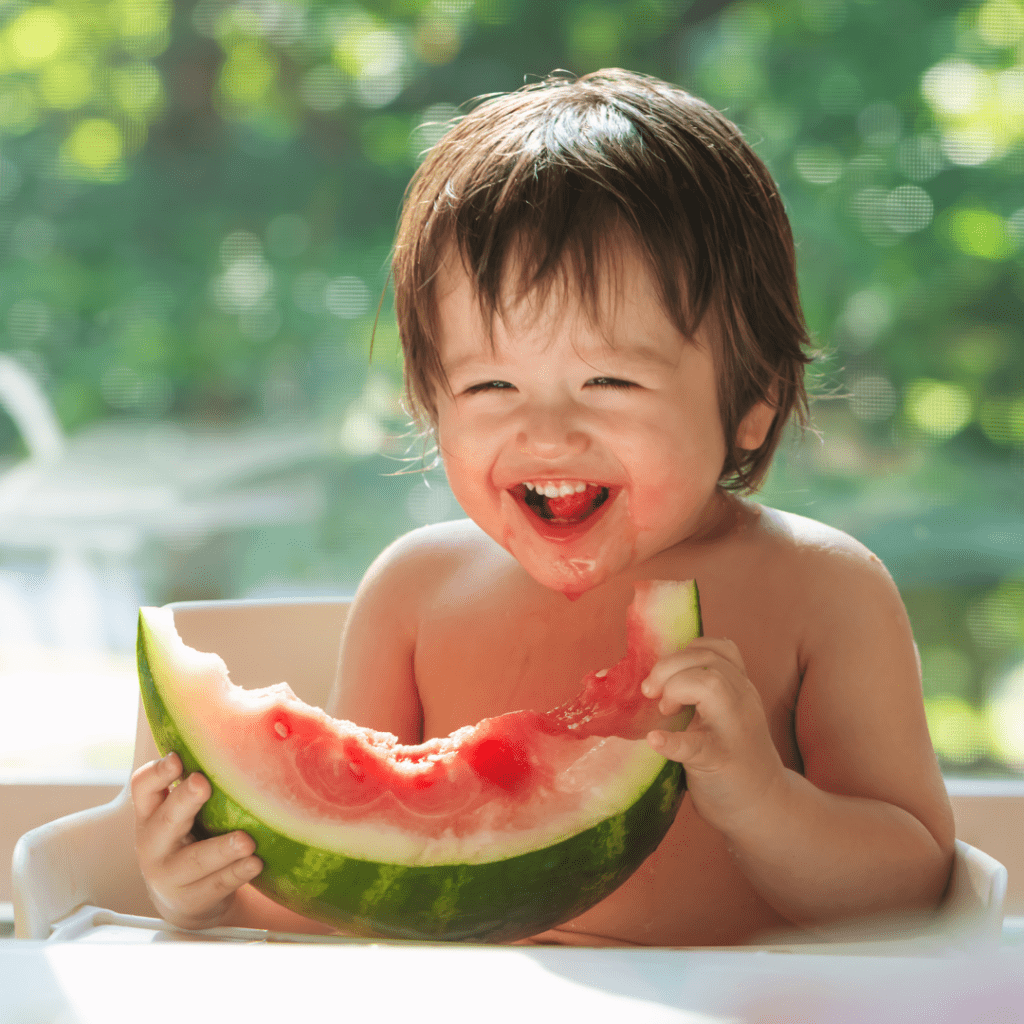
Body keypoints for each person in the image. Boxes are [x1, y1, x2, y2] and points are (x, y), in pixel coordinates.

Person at [132, 69, 955, 946]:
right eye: (491, 383)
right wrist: (209, 889)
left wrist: (762, 800)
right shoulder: (415, 593)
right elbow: (345, 874)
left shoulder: (824, 591)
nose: (549, 433)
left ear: (751, 397)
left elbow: (914, 885)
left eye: (608, 380)